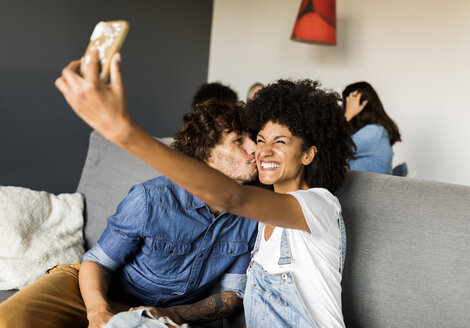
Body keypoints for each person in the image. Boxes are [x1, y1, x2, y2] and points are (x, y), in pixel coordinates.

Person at [54, 50, 355, 327]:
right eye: (258, 139)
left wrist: (124, 131)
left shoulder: (318, 206)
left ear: (309, 154)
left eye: (280, 142)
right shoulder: (258, 217)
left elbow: (231, 198)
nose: (258, 150)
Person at [0, 100, 258, 328]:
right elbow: (98, 262)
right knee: (9, 320)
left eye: (251, 138)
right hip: (89, 291)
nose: (254, 148)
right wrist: (98, 312)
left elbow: (232, 295)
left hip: (152, 317)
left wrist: (170, 314)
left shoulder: (253, 214)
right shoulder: (152, 199)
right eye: (238, 141)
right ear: (206, 155)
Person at [342, 81, 402, 174]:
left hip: (367, 188)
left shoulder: (374, 132)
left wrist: (348, 114)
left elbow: (333, 147)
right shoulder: (376, 131)